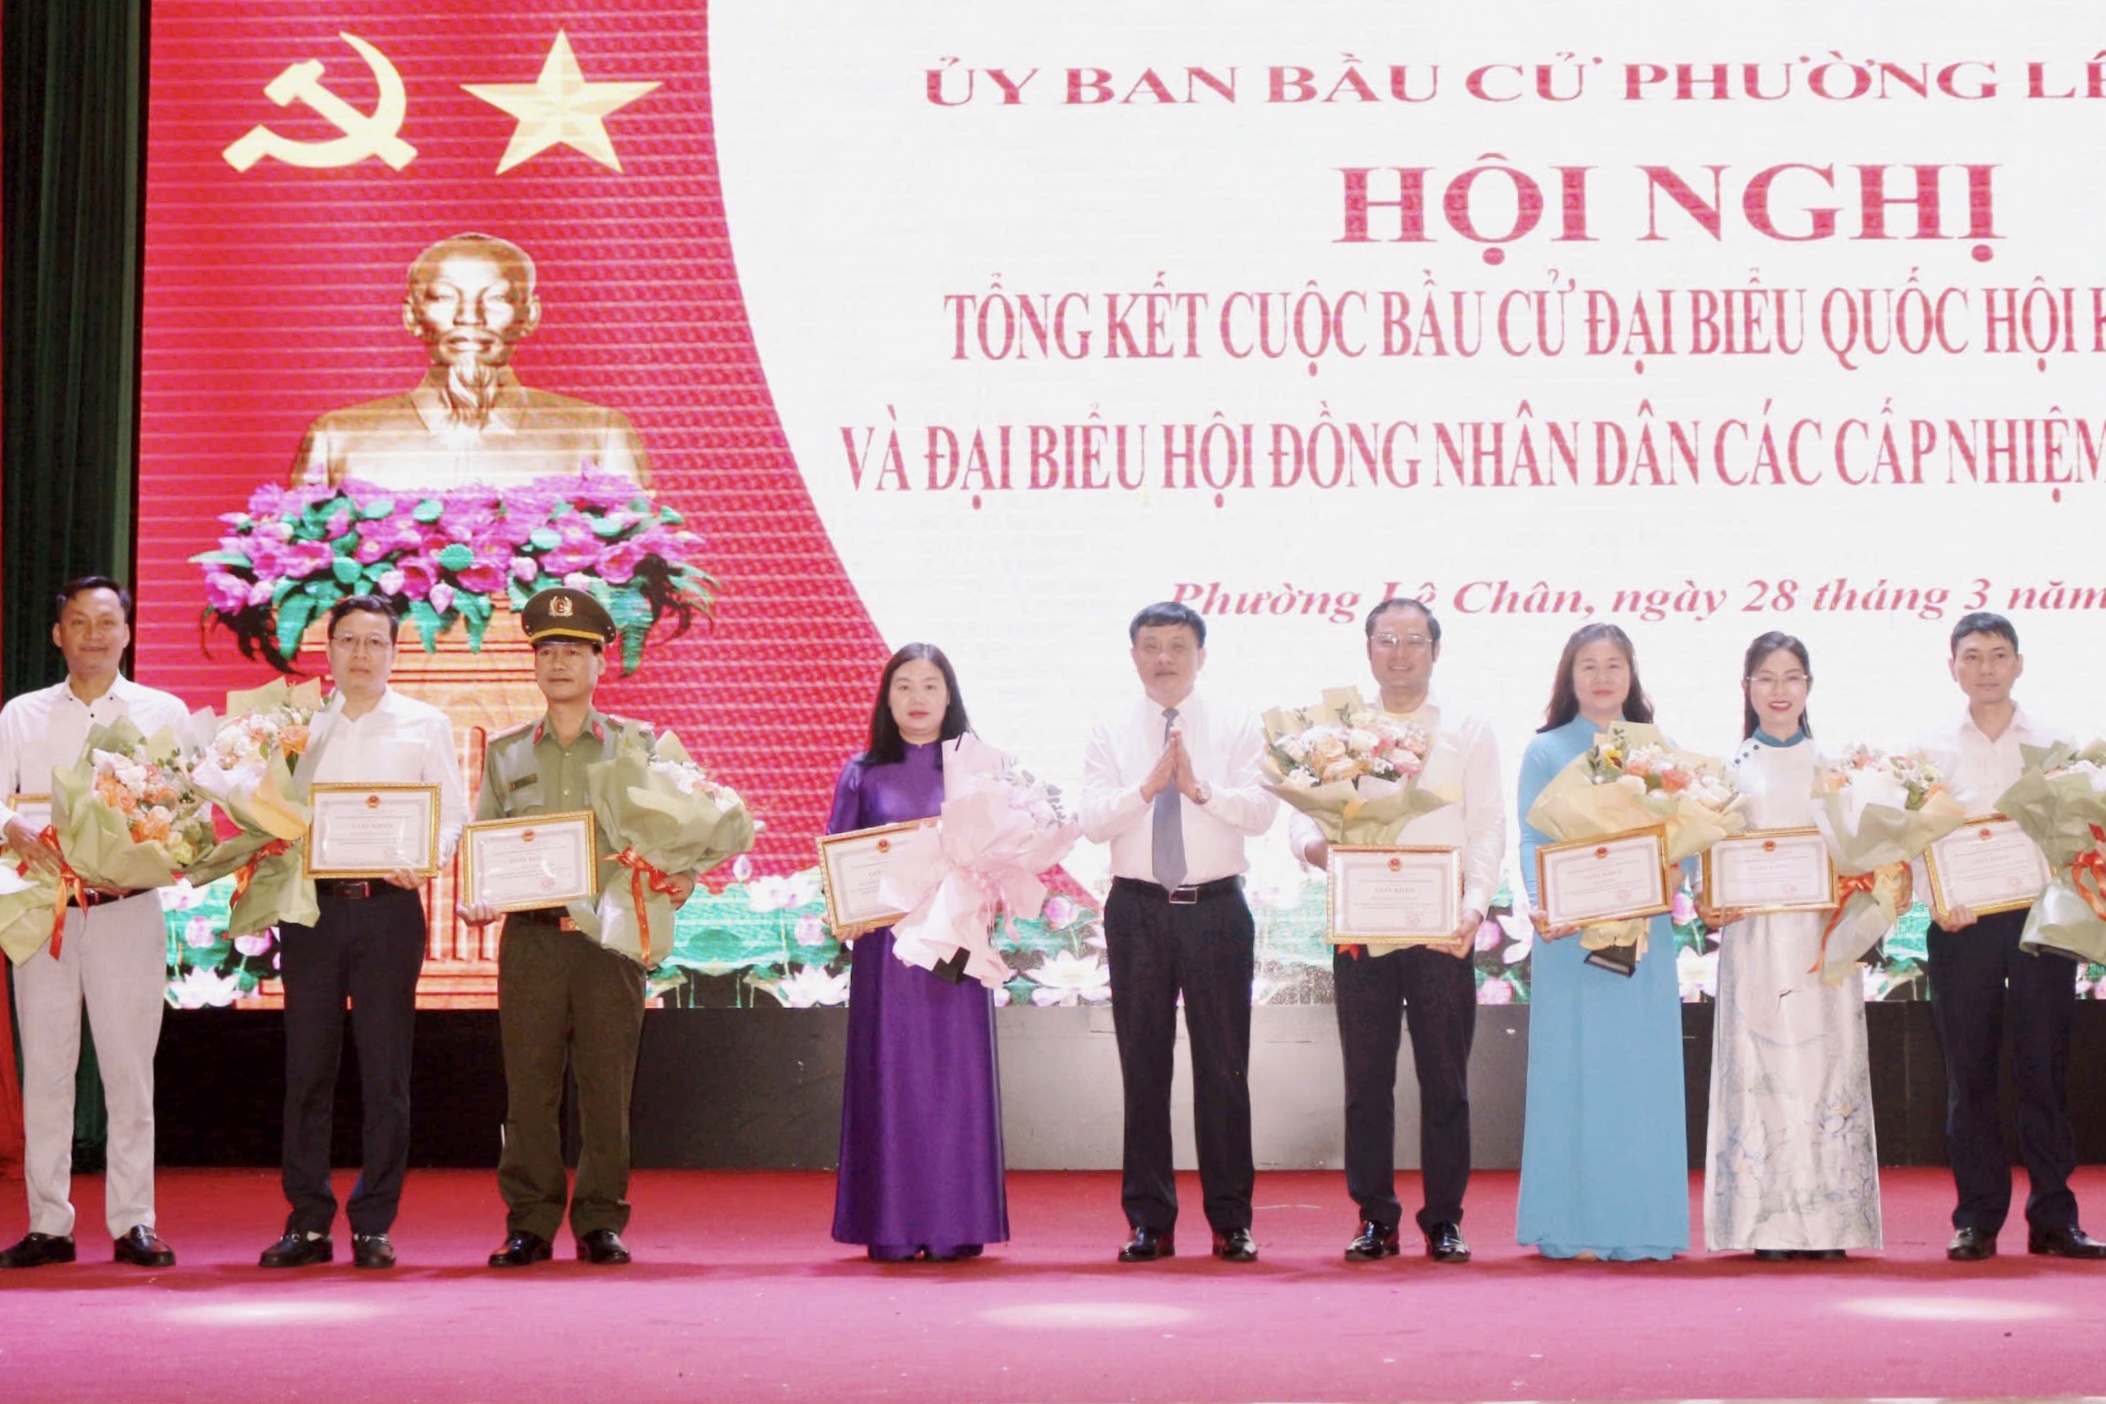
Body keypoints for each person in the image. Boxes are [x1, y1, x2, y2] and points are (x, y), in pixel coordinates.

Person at [460, 586, 693, 1267]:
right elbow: (484, 840)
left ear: (599, 663)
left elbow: (680, 825)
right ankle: (529, 1223)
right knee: (528, 1090)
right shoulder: (506, 753)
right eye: (547, 651)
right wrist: (479, 894)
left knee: (605, 1088)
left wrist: (684, 873)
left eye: (574, 651)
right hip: (531, 939)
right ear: (534, 664)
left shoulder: (635, 745)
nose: (558, 663)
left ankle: (600, 1220)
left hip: (608, 940)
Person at [1287, 598, 1502, 1264]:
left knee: (1446, 1083)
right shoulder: (1335, 732)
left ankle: (1444, 1220)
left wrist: (1474, 909)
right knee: (1366, 1081)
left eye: (1414, 639)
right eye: (1387, 639)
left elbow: (1487, 828)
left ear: (1436, 649)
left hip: (1442, 930)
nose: (1400, 652)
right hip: (1363, 927)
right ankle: (1375, 1217)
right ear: (1368, 649)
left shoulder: (1467, 728)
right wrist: (1321, 852)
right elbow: (1302, 817)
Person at [257, 597, 468, 1271]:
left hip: (388, 911)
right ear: (328, 649)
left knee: (386, 1072)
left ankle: (374, 1223)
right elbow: (266, 807)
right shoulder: (298, 725)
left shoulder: (425, 723)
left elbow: (453, 814)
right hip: (311, 911)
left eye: (375, 642)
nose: (361, 653)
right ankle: (307, 1222)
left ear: (395, 652)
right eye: (348, 640)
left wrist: (427, 859)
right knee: (307, 1069)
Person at [0, 578, 189, 1269]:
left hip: (126, 910)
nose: (93, 635)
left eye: (106, 622)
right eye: (78, 622)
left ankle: (134, 1220)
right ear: (58, 635)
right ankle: (48, 1223)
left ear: (128, 632)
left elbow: (185, 804)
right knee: (48, 1070)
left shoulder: (162, 712)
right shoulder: (20, 715)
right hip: (43, 909)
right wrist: (10, 824)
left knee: (128, 1071)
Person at [1081, 602, 1277, 1263]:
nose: (1163, 657)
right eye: (1150, 645)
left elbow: (1262, 813)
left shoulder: (1239, 725)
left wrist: (1197, 789)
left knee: (1224, 1068)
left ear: (1201, 654)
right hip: (1136, 909)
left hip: (1216, 909)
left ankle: (1231, 1220)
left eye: (1177, 645)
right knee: (1143, 1068)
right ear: (1133, 655)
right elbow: (1092, 821)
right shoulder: (1109, 729)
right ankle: (1150, 1221)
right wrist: (1146, 789)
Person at [1916, 612, 2106, 1261]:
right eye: (1972, 656)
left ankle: (2054, 1218)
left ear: (2018, 663)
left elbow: (2080, 835)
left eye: (1999, 655)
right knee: (1968, 1075)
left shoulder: (2056, 744)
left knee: (2044, 1070)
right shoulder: (1929, 749)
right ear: (1953, 667)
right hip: (1961, 923)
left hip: (2041, 922)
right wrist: (1937, 901)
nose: (1986, 668)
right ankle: (1977, 1218)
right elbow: (1915, 841)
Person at [826, 644, 1007, 1262]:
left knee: (954, 1082)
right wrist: (846, 907)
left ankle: (958, 1224)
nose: (918, 698)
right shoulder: (862, 772)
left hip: (955, 950)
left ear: (949, 696)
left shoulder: (979, 772)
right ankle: (893, 1225)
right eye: (904, 685)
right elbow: (841, 855)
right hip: (889, 955)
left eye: (931, 685)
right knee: (893, 1077)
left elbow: (1001, 857)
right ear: (887, 698)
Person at [1514, 622, 1689, 1260]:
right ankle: (1571, 1226)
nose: (1602, 676)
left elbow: (1688, 832)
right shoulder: (1544, 751)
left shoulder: (1659, 750)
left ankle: (1641, 1226)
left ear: (1631, 674)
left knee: (1638, 1078)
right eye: (1588, 665)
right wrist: (1548, 901)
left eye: (1614, 664)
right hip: (1570, 938)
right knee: (1574, 1073)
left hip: (1642, 936)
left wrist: (1676, 871)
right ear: (1570, 676)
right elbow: (1532, 838)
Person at [1703, 632, 1880, 1260]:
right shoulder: (1724, 773)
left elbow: (1865, 857)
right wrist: (1710, 897)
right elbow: (1708, 862)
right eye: (1766, 678)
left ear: (1809, 686)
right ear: (1746, 687)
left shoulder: (1837, 770)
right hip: (1755, 941)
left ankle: (1833, 1225)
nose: (1779, 691)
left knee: (1825, 1068)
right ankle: (1765, 1226)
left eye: (1792, 677)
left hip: (1823, 940)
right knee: (1763, 1069)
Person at [291, 232, 648, 490]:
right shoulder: (339, 436)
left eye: (496, 298)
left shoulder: (596, 433)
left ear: (529, 315)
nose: (469, 317)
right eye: (444, 297)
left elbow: (641, 564)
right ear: (412, 316)